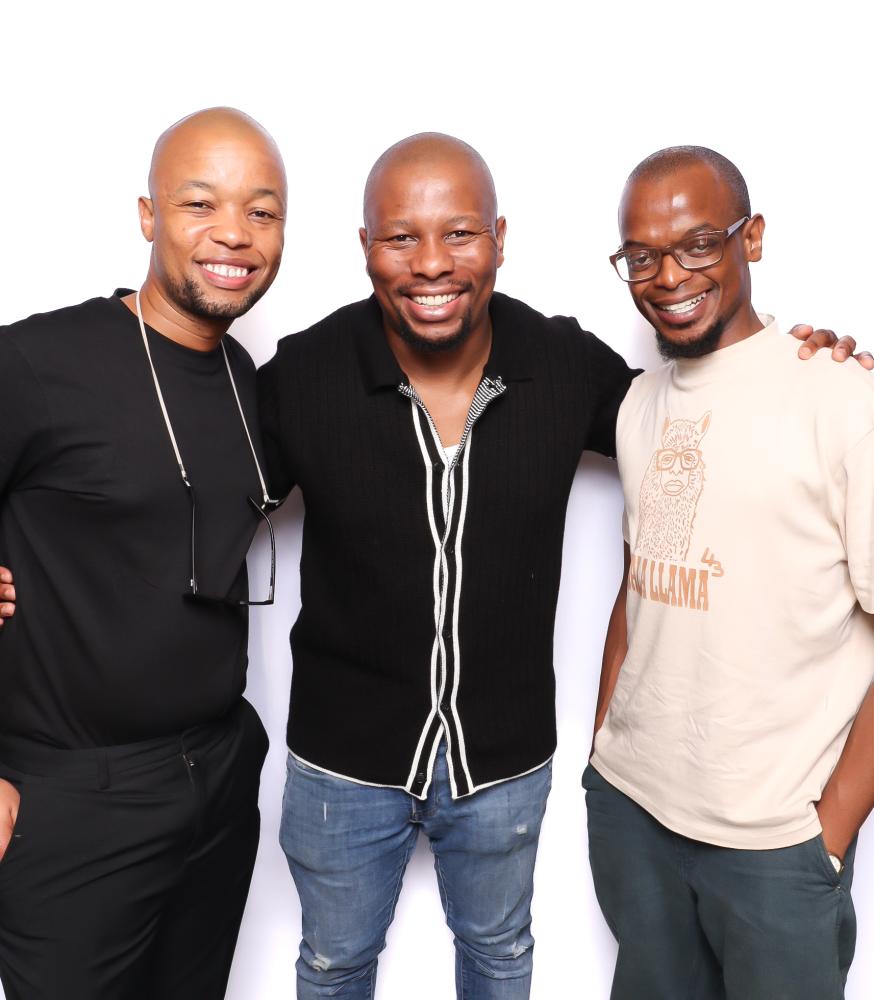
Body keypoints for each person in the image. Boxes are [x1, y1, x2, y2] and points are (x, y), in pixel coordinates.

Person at [255, 133, 861, 1000]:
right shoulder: (304, 372)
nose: (432, 263)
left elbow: (702, 409)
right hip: (340, 765)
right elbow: (193, 497)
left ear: (500, 238)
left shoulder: (564, 364)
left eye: (460, 233)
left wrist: (810, 363)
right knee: (332, 962)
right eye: (401, 237)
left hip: (504, 763)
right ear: (364, 247)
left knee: (501, 955)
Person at [0, 107, 285, 1000]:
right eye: (200, 204)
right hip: (73, 798)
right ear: (147, 215)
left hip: (219, 774)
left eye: (262, 212)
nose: (233, 234)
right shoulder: (39, 361)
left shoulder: (246, 380)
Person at [587, 146, 874, 1000]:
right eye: (641, 255)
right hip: (634, 811)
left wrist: (830, 830)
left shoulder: (841, 397)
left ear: (751, 238)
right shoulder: (639, 403)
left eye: (698, 243)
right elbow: (639, 582)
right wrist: (605, 750)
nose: (668, 275)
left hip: (773, 842)